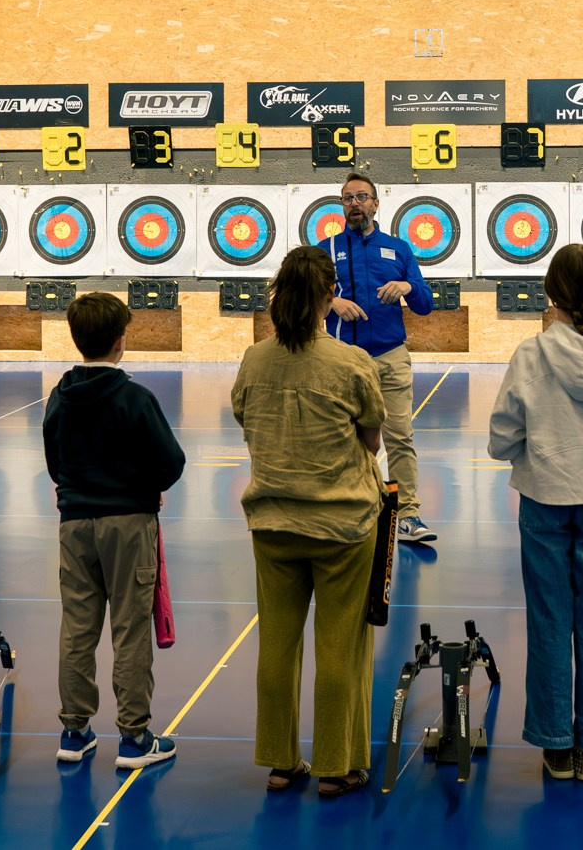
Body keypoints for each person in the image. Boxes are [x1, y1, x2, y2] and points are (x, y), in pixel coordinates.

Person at [233, 244, 385, 797]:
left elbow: (245, 419)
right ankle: (337, 766)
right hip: (343, 527)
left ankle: (280, 761)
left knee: (277, 643)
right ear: (330, 296)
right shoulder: (351, 362)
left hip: (274, 522)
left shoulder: (255, 359)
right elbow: (373, 439)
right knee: (341, 646)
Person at [488, 244, 583, 782]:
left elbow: (501, 441)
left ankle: (556, 745)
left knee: (550, 619)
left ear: (550, 294)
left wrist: (538, 447)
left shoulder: (531, 354)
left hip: (543, 502)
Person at [45, 291, 186, 769]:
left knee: (77, 627)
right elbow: (170, 462)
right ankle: (134, 737)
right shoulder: (135, 398)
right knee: (130, 629)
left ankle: (74, 731)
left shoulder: (60, 395)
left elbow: (55, 462)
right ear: (121, 341)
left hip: (74, 525)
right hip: (128, 525)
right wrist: (143, 487)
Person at [322, 172, 436, 544]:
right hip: (344, 361)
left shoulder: (398, 249)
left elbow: (425, 304)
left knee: (400, 438)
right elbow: (302, 298)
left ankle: (408, 515)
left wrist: (407, 286)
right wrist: (331, 302)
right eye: (347, 198)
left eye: (361, 197)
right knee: (344, 439)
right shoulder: (325, 250)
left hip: (391, 358)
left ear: (375, 203)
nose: (354, 204)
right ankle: (348, 510)